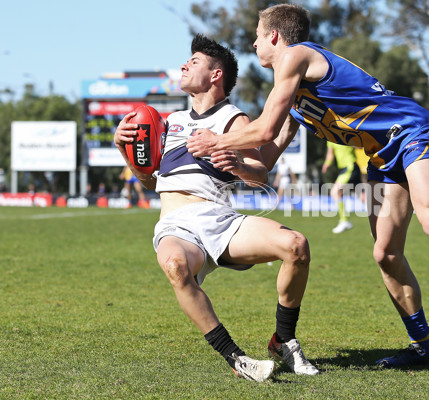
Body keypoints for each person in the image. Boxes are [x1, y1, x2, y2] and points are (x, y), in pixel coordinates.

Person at [186, 4, 429, 367]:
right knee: (385, 254)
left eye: (256, 36)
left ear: (274, 36)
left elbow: (264, 127)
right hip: (381, 154)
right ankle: (423, 348)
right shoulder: (297, 98)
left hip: (409, 132)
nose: (253, 44)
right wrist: (235, 166)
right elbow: (265, 162)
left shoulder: (295, 56)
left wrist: (216, 142)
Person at [114, 34, 318, 382]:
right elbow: (150, 182)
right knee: (176, 267)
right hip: (176, 224)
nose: (184, 65)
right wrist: (125, 151)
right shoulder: (169, 121)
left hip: (221, 220)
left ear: (215, 75)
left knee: (296, 245)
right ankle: (237, 359)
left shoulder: (234, 119)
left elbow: (259, 176)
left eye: (193, 62)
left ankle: (283, 339)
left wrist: (238, 166)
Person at [321, 142, 361, 233]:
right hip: (346, 168)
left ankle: (345, 221)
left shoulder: (344, 131)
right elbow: (330, 153)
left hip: (350, 166)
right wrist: (327, 164)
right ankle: (379, 222)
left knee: (335, 192)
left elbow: (359, 145)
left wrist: (354, 143)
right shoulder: (329, 137)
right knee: (363, 197)